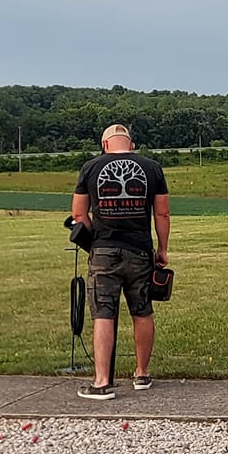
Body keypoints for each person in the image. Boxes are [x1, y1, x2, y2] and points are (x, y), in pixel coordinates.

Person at [72, 123, 171, 400]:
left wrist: (94, 238)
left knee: (103, 313)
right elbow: (162, 214)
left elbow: (78, 214)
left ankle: (102, 382)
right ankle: (142, 373)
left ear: (105, 145)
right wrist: (162, 249)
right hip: (140, 250)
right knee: (142, 310)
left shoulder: (90, 168)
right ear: (130, 144)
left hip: (103, 249)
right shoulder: (152, 168)